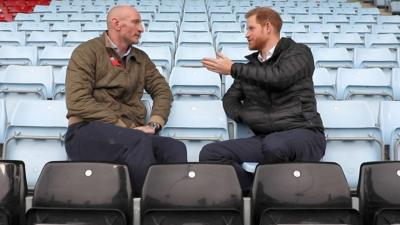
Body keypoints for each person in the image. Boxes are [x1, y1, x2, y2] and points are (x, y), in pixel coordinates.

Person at [200, 7, 326, 194]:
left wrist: (234, 68)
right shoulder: (250, 68)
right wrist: (247, 115)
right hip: (266, 140)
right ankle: (257, 190)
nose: (246, 34)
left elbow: (279, 77)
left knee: (275, 144)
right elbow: (230, 99)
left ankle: (270, 195)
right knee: (210, 153)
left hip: (304, 134)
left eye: (251, 28)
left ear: (267, 27)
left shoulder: (299, 53)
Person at [65, 5, 187, 196]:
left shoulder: (141, 58)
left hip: (130, 135)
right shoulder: (87, 52)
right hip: (85, 131)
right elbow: (78, 101)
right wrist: (121, 125)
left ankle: (173, 204)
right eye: (136, 22)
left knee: (174, 147)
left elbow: (162, 90)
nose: (142, 28)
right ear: (116, 24)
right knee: (139, 142)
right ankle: (145, 205)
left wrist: (155, 123)